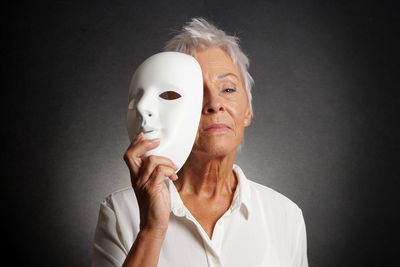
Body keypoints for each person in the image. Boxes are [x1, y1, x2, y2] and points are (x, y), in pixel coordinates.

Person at [92, 17, 308, 267]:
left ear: (247, 110)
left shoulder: (286, 216)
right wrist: (151, 231)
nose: (215, 104)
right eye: (196, 92)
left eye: (228, 89)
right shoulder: (120, 213)